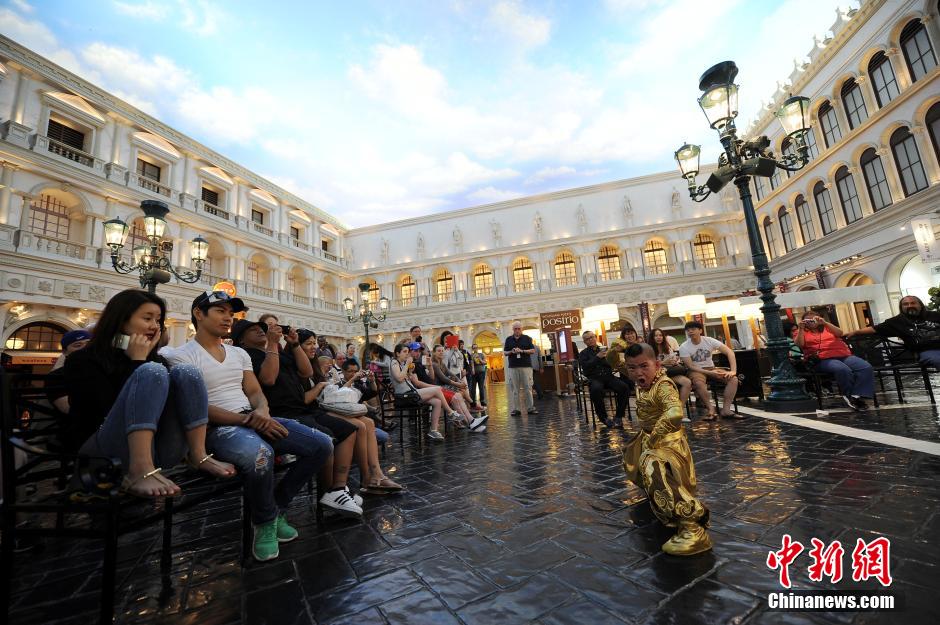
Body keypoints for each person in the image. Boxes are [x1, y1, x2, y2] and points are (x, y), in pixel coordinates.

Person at [161, 290, 334, 561]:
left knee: (321, 444)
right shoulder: (181, 356)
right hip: (217, 428)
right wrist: (248, 419)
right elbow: (194, 407)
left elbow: (255, 392)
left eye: (231, 313)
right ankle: (265, 522)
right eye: (220, 311)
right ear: (198, 313)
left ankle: (276, 507)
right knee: (261, 456)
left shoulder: (238, 354)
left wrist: (262, 413)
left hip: (253, 418)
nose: (228, 317)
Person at [65, 289, 236, 499]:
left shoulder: (155, 360)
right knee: (151, 371)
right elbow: (101, 411)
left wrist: (144, 361)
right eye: (147, 318)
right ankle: (140, 469)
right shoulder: (83, 359)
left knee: (187, 372)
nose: (155, 326)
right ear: (121, 319)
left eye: (158, 320)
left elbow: (165, 411)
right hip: (105, 453)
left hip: (159, 450)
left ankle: (198, 455)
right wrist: (137, 363)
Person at [230, 319, 370, 509]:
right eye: (254, 330)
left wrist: (294, 343)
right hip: (283, 413)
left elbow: (306, 371)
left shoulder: (277, 353)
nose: (261, 331)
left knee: (349, 429)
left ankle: (338, 488)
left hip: (304, 409)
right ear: (241, 340)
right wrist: (272, 343)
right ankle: (326, 492)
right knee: (325, 439)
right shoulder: (248, 356)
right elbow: (268, 379)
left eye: (261, 328)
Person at [621, 343, 711, 556]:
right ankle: (661, 502)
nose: (638, 373)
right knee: (639, 466)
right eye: (632, 368)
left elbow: (674, 413)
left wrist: (655, 437)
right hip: (648, 438)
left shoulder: (662, 385)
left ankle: (692, 526)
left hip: (667, 443)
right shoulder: (643, 383)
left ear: (657, 364)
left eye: (644, 366)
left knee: (655, 467)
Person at [796, 310, 874, 411]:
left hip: (843, 355)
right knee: (842, 369)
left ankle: (857, 395)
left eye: (814, 319)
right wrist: (801, 329)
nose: (811, 322)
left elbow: (840, 333)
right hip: (822, 359)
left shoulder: (827, 328)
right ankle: (849, 395)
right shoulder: (802, 332)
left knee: (865, 367)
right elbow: (800, 344)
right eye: (808, 320)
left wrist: (825, 323)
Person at [846, 295, 940, 368]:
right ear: (901, 307)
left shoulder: (934, 315)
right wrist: (856, 332)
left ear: (920, 305)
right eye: (906, 304)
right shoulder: (896, 322)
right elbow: (874, 329)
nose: (910, 306)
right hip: (927, 351)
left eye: (913, 303)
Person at [678, 321, 740, 420]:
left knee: (733, 379)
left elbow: (729, 352)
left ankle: (726, 410)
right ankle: (711, 410)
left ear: (700, 330)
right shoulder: (684, 346)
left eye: (693, 329)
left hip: (711, 368)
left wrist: (733, 371)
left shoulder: (709, 340)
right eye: (688, 330)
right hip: (696, 370)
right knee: (698, 383)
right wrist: (711, 373)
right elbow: (690, 366)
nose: (690, 332)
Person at [389, 343, 447, 440]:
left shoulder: (402, 364)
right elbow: (399, 378)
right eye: (404, 352)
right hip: (404, 397)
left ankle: (433, 431)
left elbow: (408, 379)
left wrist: (410, 371)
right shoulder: (394, 362)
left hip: (411, 393)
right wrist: (407, 365)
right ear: (397, 353)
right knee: (437, 389)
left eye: (407, 352)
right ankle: (450, 412)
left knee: (437, 402)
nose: (407, 354)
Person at [579, 329, 631, 427]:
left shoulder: (605, 349)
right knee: (596, 389)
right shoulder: (583, 354)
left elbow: (612, 364)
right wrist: (597, 357)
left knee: (624, 387)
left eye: (591, 337)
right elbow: (586, 367)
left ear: (595, 337)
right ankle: (603, 418)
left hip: (608, 376)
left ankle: (619, 416)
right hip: (595, 378)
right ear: (585, 342)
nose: (590, 340)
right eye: (587, 339)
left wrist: (612, 355)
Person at [431, 344, 488, 431]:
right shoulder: (434, 364)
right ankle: (471, 420)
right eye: (439, 351)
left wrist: (459, 381)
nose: (441, 352)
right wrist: (458, 384)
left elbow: (450, 373)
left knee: (460, 393)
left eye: (442, 350)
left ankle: (471, 421)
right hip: (439, 388)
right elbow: (444, 378)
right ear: (434, 353)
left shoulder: (441, 363)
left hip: (443, 387)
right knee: (458, 395)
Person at [47, 329, 92, 413]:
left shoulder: (103, 369)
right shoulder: (56, 377)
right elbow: (70, 410)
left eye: (89, 344)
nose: (86, 348)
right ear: (65, 352)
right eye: (78, 345)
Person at [647, 328, 692, 409]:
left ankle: (679, 409)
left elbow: (673, 359)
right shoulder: (648, 350)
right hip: (657, 376)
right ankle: (668, 409)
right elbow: (649, 365)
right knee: (667, 385)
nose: (659, 337)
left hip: (670, 373)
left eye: (660, 335)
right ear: (652, 338)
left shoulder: (667, 347)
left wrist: (674, 361)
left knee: (687, 382)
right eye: (656, 336)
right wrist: (664, 362)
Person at [504, 321, 538, 416]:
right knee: (515, 389)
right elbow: (505, 353)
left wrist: (522, 351)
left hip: (526, 366)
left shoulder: (527, 338)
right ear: (513, 329)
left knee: (528, 388)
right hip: (513, 367)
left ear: (521, 329)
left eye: (519, 328)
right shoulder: (508, 339)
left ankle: (530, 408)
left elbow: (532, 350)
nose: (517, 330)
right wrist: (512, 351)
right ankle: (516, 409)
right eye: (515, 329)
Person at [469, 343, 488, 407]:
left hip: (481, 373)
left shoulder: (481, 354)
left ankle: (482, 401)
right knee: (473, 388)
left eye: (476, 347)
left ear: (478, 348)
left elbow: (485, 362)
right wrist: (473, 370)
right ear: (472, 349)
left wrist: (480, 359)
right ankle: (473, 401)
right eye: (474, 348)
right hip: (474, 374)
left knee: (481, 387)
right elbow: (471, 363)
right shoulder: (471, 355)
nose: (475, 349)